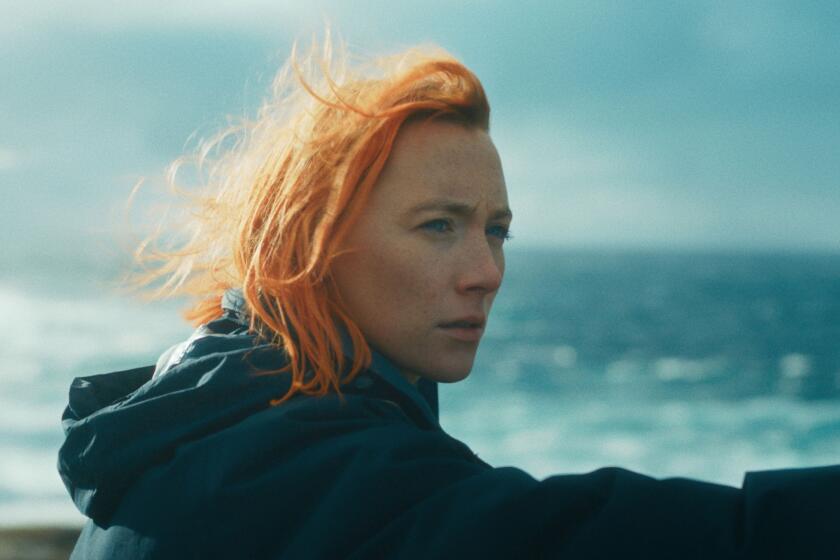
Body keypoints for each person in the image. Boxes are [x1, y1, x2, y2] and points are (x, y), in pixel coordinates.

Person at [58, 36, 839, 559]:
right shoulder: (299, 472)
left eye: (496, 231)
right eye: (439, 226)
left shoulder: (192, 419)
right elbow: (558, 537)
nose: (485, 271)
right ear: (313, 243)